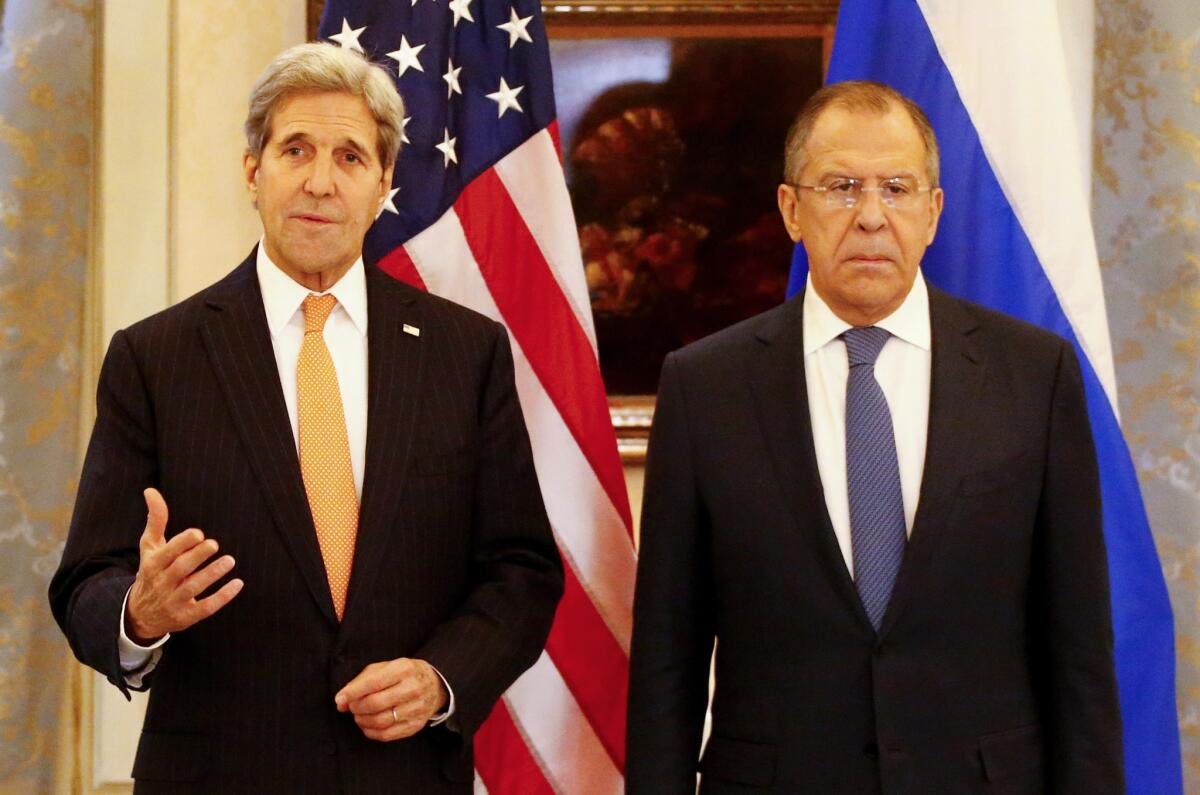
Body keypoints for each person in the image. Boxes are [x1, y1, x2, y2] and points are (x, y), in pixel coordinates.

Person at [49, 42, 563, 793]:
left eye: (351, 157)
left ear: (384, 181)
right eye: (296, 150)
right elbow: (85, 579)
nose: (321, 182)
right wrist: (139, 610)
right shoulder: (156, 356)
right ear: (253, 169)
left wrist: (441, 677)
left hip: (404, 773)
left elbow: (520, 569)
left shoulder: (465, 352)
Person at [625, 80, 1123, 794]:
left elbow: (1078, 648)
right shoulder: (706, 386)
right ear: (792, 210)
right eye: (840, 186)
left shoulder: (1033, 374)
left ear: (933, 211)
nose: (869, 216)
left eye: (896, 187)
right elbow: (667, 658)